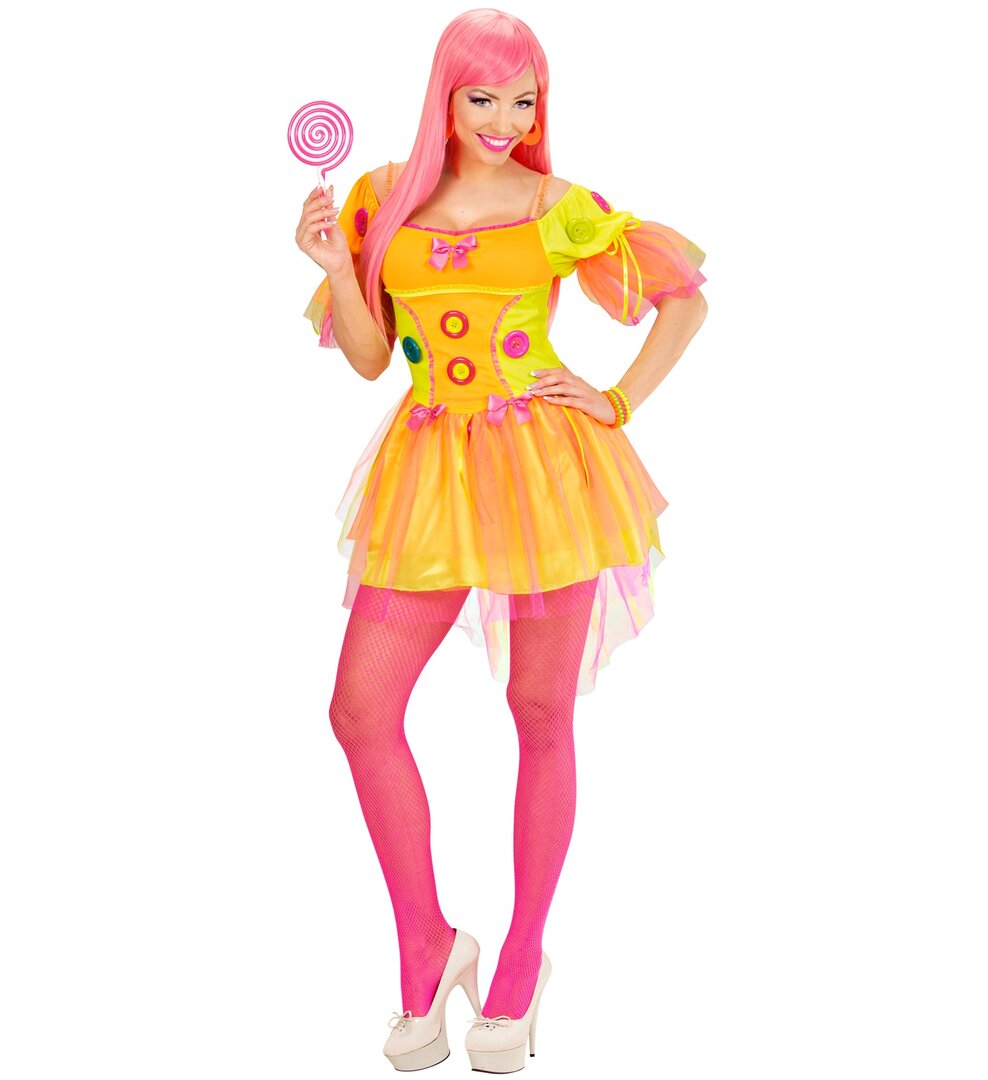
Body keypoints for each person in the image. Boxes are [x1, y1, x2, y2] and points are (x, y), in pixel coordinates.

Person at [294, 8, 707, 1071]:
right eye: (483, 96)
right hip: (428, 470)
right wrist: (336, 263)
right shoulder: (382, 196)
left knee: (539, 709)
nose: (505, 119)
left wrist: (615, 400)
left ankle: (522, 958)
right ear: (444, 95)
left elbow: (682, 299)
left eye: (524, 99)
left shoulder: (555, 206)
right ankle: (428, 944)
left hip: (542, 472)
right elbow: (370, 360)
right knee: (359, 710)